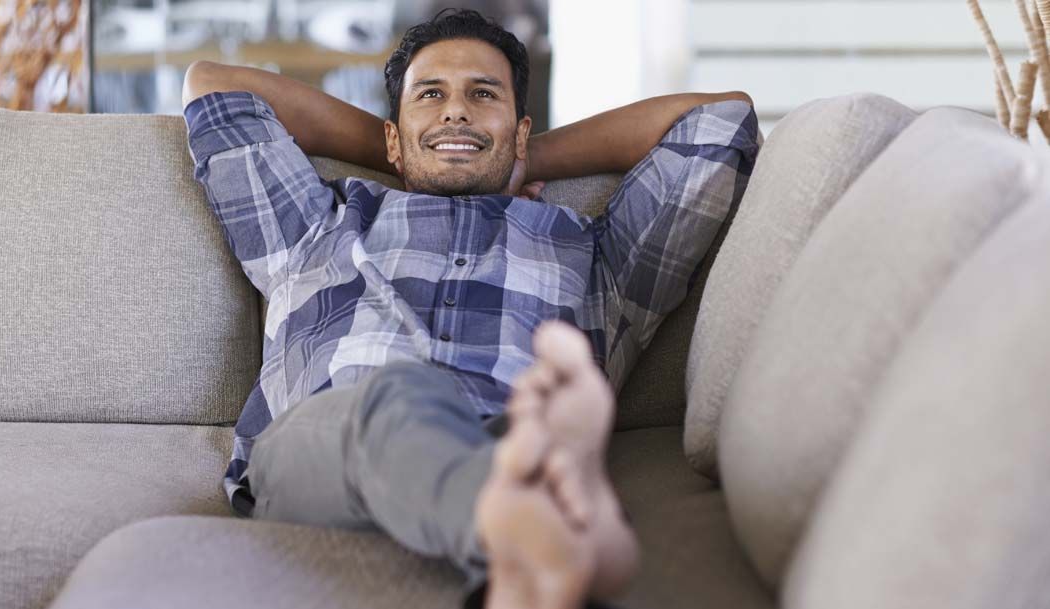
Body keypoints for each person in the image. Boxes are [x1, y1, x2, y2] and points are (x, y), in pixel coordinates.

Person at [181, 8, 758, 609]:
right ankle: (531, 524)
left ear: (521, 129)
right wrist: (418, 152)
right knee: (399, 398)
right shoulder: (316, 227)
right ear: (392, 136)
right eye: (430, 95)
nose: (456, 109)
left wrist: (515, 157)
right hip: (334, 445)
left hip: (509, 432)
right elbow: (217, 87)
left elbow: (721, 121)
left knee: (525, 433)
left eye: (483, 95)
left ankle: (521, 531)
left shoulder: (594, 254)